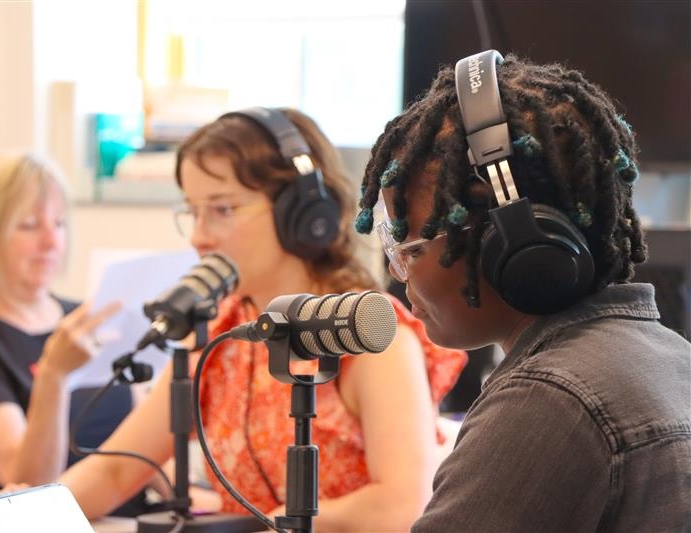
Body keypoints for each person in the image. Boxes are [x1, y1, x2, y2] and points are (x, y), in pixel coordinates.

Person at [58, 107, 467, 531]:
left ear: (302, 215)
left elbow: (401, 507)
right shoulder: (216, 337)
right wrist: (15, 511)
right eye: (192, 213)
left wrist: (270, 524)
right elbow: (115, 471)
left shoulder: (368, 335)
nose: (199, 236)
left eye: (222, 209)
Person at [355, 50, 691, 531]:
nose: (398, 272)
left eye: (410, 247)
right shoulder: (671, 356)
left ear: (513, 242)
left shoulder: (550, 398)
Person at [0, 153, 154, 516]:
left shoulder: (89, 318)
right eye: (28, 225)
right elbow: (24, 487)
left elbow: (140, 446)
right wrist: (54, 375)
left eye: (58, 224)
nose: (51, 241)